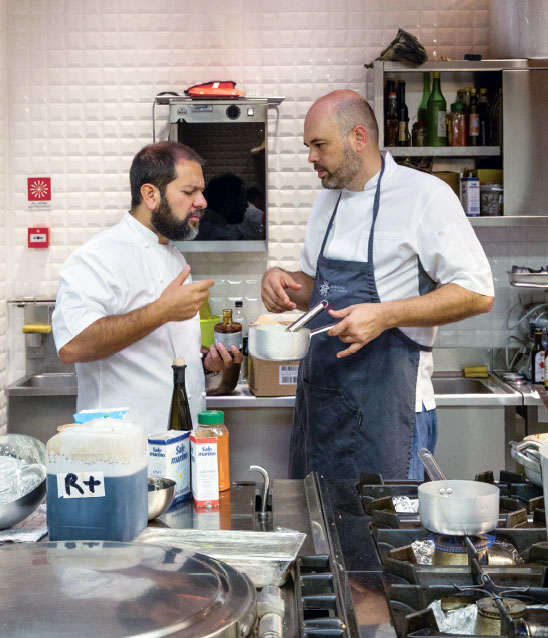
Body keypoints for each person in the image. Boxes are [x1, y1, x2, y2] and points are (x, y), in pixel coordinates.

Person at [261, 90, 494, 481]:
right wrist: (281, 282)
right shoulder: (326, 202)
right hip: (321, 408)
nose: (311, 157)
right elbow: (320, 292)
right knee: (321, 530)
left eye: (319, 145)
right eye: (308, 146)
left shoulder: (425, 196)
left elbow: (477, 292)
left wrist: (385, 315)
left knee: (387, 535)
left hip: (391, 412)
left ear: (359, 138)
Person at [52, 141, 242, 436]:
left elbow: (158, 355)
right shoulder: (98, 256)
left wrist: (204, 362)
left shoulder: (174, 255)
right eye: (189, 192)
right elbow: (72, 345)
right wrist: (161, 311)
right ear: (151, 195)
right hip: (121, 451)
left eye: (201, 191)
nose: (203, 201)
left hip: (177, 446)